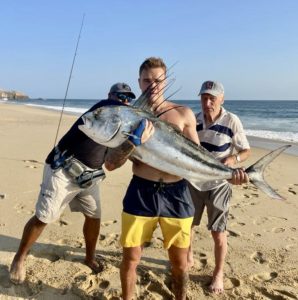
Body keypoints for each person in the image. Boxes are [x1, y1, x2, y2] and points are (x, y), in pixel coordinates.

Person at [9, 82, 138, 284]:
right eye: (119, 96)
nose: (124, 101)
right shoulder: (102, 110)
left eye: (129, 99)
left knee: (94, 216)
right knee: (44, 216)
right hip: (63, 169)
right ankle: (20, 257)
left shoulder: (121, 127)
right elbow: (110, 108)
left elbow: (112, 164)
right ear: (109, 96)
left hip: (90, 176)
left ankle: (89, 257)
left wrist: (132, 144)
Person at [105, 57, 199, 300]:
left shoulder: (183, 113)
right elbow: (111, 164)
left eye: (158, 80)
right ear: (139, 82)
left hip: (177, 192)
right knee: (131, 258)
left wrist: (229, 173)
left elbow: (198, 156)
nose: (153, 85)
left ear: (165, 82)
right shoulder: (126, 117)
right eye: (147, 80)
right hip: (141, 190)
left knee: (179, 263)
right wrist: (132, 143)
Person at [188, 81, 251, 294]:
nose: (207, 103)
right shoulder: (194, 120)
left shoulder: (232, 120)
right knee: (188, 225)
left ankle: (218, 273)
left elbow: (246, 151)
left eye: (212, 98)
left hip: (220, 184)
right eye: (204, 98)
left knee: (218, 232)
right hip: (194, 182)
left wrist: (233, 159)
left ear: (222, 99)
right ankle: (188, 257)